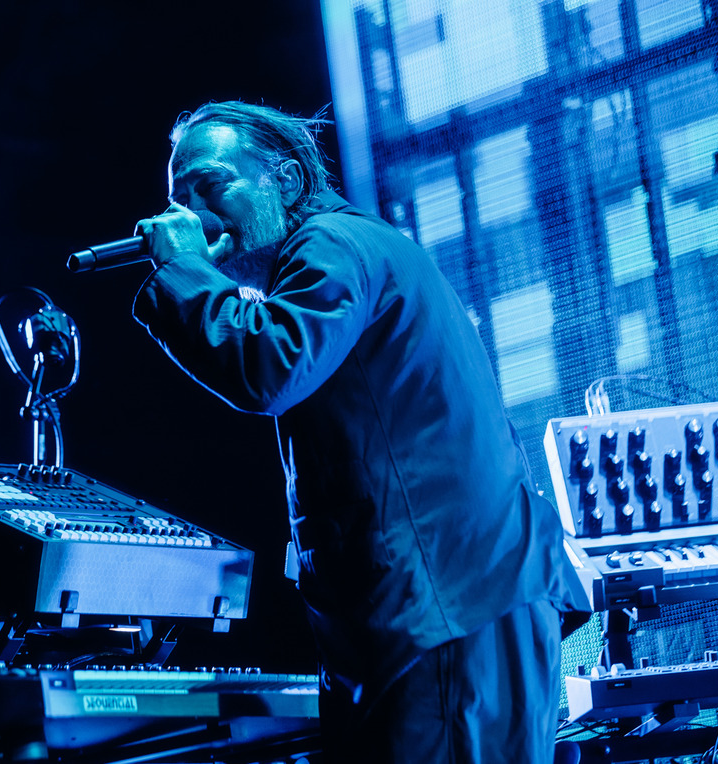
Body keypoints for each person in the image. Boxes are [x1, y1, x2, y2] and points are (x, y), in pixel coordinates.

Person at [131, 100, 588, 763]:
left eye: (209, 184)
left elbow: (267, 367)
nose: (188, 216)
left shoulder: (330, 246)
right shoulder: (350, 250)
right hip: (452, 604)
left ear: (284, 181)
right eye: (177, 196)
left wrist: (180, 271)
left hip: (443, 607)